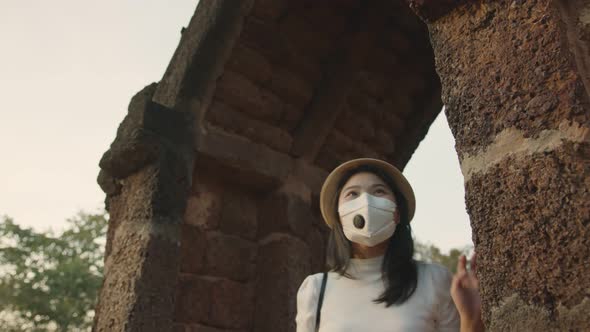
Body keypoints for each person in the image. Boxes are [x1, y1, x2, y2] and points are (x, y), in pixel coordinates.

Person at [295, 158, 484, 332]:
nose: (366, 202)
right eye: (353, 193)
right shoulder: (315, 289)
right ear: (339, 216)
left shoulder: (434, 279)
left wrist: (471, 318)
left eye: (379, 191)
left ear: (397, 214)